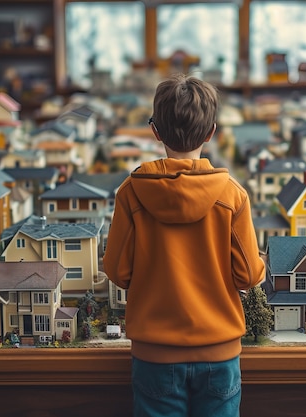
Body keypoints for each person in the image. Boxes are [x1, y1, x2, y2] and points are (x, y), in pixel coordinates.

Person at [103, 73, 266, 417]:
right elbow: (250, 274)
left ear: (156, 131)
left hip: (154, 354)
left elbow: (117, 271)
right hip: (220, 354)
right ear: (211, 132)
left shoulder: (130, 193)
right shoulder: (233, 196)